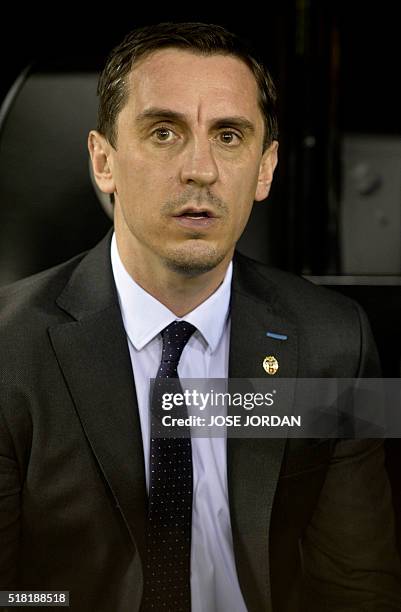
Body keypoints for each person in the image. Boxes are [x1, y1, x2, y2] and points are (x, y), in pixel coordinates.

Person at [0, 21, 400, 612]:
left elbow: (358, 587)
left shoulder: (336, 339)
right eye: (164, 132)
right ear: (103, 161)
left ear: (265, 169)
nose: (201, 170)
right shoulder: (10, 349)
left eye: (230, 136)